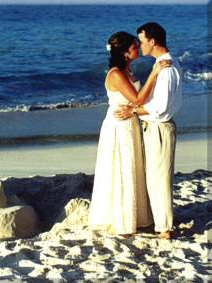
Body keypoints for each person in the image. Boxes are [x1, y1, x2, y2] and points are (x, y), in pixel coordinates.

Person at [88, 31, 171, 236]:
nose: (138, 49)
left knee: (133, 167)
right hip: (119, 126)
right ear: (125, 52)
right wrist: (154, 73)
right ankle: (121, 219)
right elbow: (137, 99)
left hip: (130, 123)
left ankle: (137, 216)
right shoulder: (116, 74)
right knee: (122, 168)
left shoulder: (128, 70)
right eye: (134, 47)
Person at [114, 23, 182, 240]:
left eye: (141, 41)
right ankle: (162, 224)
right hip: (156, 126)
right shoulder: (161, 65)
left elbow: (160, 107)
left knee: (159, 179)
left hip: (160, 127)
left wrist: (133, 110)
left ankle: (165, 228)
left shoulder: (166, 68)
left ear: (152, 41)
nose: (139, 45)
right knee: (155, 177)